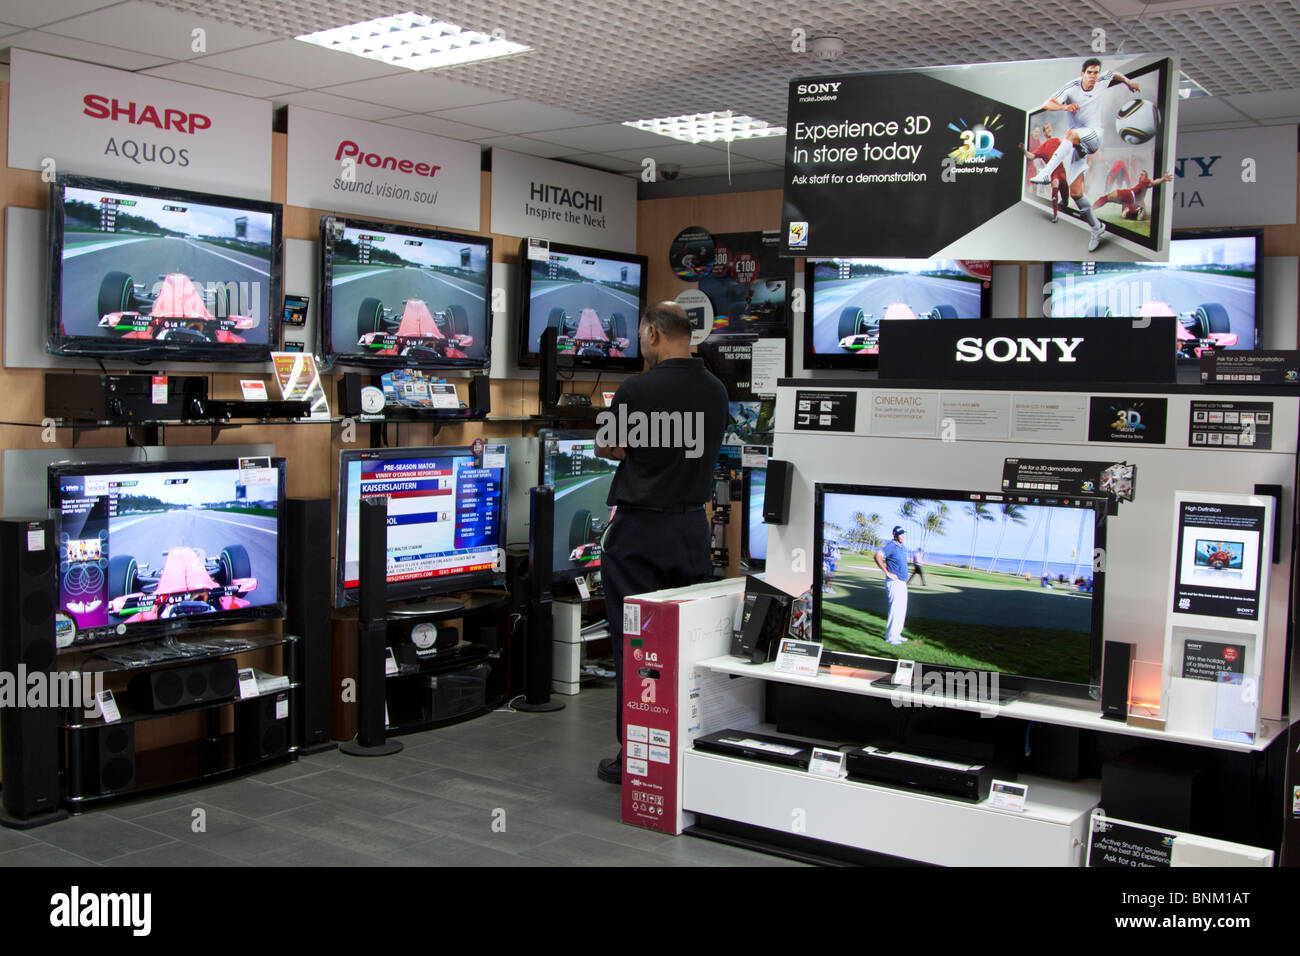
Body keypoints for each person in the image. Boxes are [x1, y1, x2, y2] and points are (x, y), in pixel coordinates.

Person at [593, 301, 728, 784]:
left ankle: (635, 757)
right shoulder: (716, 390)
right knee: (686, 644)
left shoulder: (635, 388)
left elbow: (609, 448)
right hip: (692, 528)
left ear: (652, 333)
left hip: (639, 533)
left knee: (634, 643)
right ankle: (685, 748)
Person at [1029, 58, 1142, 252]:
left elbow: (1113, 72)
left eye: (1096, 72)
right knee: (1076, 194)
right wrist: (1065, 107)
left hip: (1094, 136)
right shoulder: (1072, 88)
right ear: (1083, 74)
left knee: (1071, 134)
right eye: (1090, 72)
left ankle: (1047, 172)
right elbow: (1047, 103)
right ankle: (1097, 228)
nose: (1093, 76)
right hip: (1076, 146)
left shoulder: (1101, 81)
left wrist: (1128, 82)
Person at [1019, 123, 1069, 222]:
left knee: (1065, 201)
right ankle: (1055, 215)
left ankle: (1061, 208)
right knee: (1055, 185)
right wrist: (1023, 150)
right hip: (1054, 173)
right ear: (1044, 132)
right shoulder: (1043, 147)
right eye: (1047, 128)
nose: (1049, 129)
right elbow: (1031, 156)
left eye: (1050, 127)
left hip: (1062, 172)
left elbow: (1066, 149)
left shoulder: (1057, 140)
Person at [874, 526, 910, 646]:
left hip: (902, 582)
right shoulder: (891, 545)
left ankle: (897, 634)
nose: (903, 535)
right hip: (894, 582)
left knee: (901, 609)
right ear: (895, 535)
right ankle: (890, 637)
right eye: (900, 534)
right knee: (895, 609)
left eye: (903, 533)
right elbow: (877, 556)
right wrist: (887, 572)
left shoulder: (902, 547)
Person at [1093, 170, 1174, 221]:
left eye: (1142, 174)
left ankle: (1091, 208)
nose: (1140, 176)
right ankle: (1132, 209)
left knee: (1107, 197)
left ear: (1146, 176)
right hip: (1132, 200)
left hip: (1129, 194)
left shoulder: (1145, 181)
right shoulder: (1142, 185)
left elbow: (1154, 182)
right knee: (1124, 215)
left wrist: (1163, 179)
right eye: (1140, 174)